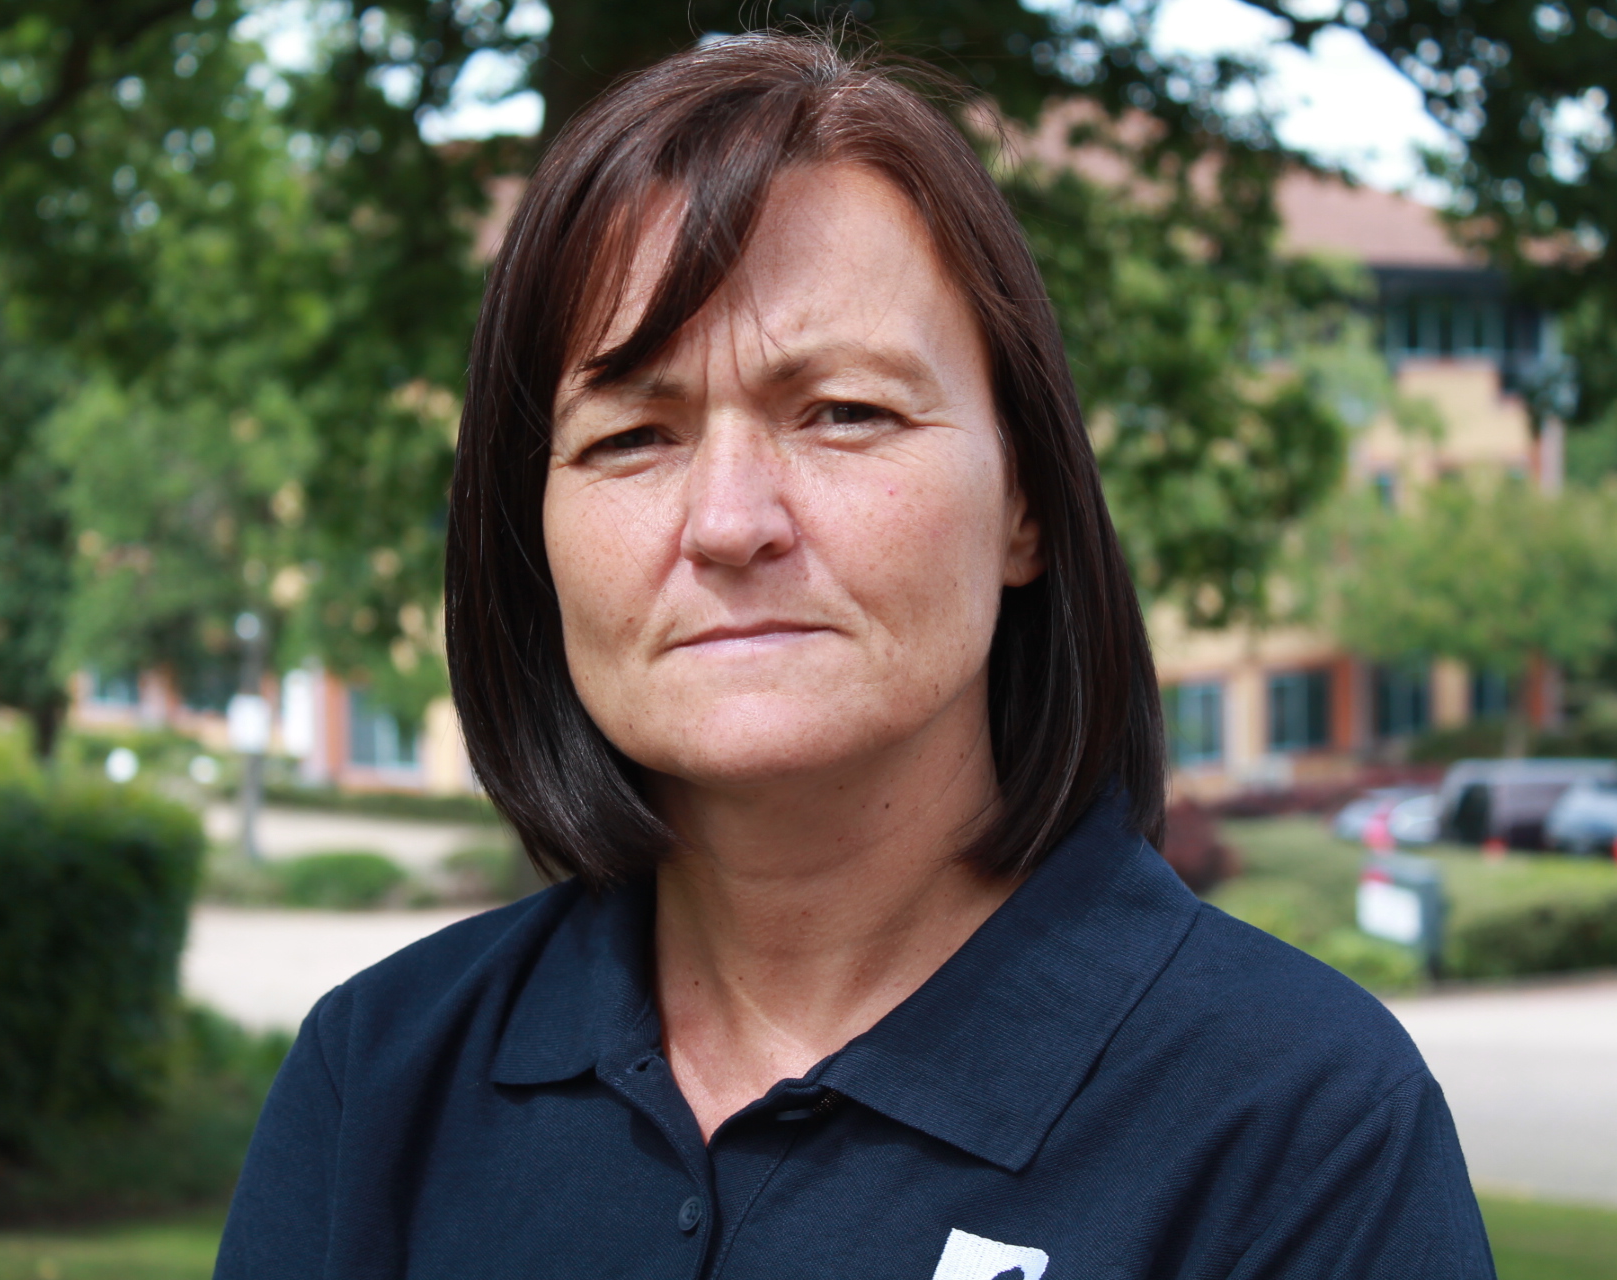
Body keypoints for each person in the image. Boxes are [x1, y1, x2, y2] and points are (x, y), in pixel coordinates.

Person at [215, 33, 1494, 1280]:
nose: (729, 523)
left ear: (1026, 503)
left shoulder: (1295, 1126)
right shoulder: (379, 1081)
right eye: (631, 436)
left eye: (843, 412)